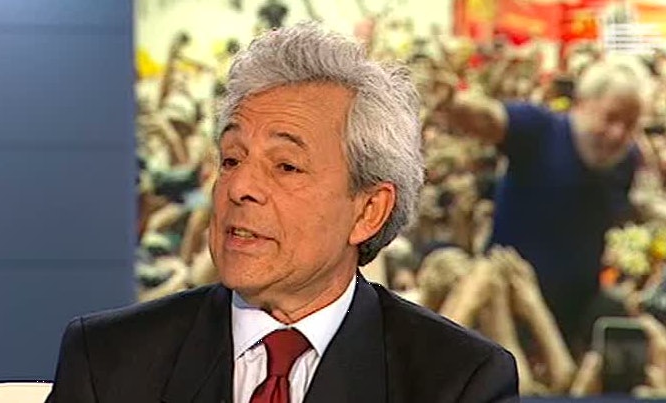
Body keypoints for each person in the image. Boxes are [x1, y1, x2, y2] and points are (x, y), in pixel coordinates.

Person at [45, 22, 518, 403]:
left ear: (368, 211)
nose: (239, 188)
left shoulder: (456, 381)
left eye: (286, 166)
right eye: (231, 160)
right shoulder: (108, 360)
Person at [434, 58, 645, 352]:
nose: (618, 134)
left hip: (570, 326)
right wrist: (454, 104)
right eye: (611, 118)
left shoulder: (625, 162)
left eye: (629, 125)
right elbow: (490, 119)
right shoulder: (540, 130)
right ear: (582, 103)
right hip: (505, 312)